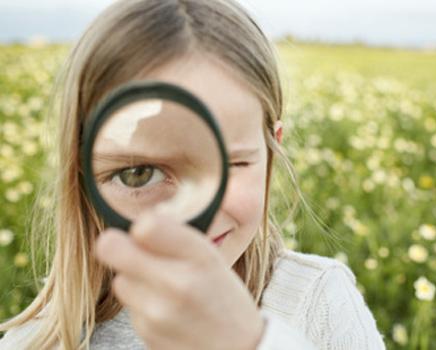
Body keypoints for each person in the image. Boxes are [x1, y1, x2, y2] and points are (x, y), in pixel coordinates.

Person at [0, 0, 385, 349]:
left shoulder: (317, 302)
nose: (188, 216)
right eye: (138, 174)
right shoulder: (37, 342)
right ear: (81, 177)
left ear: (271, 151)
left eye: (230, 165)